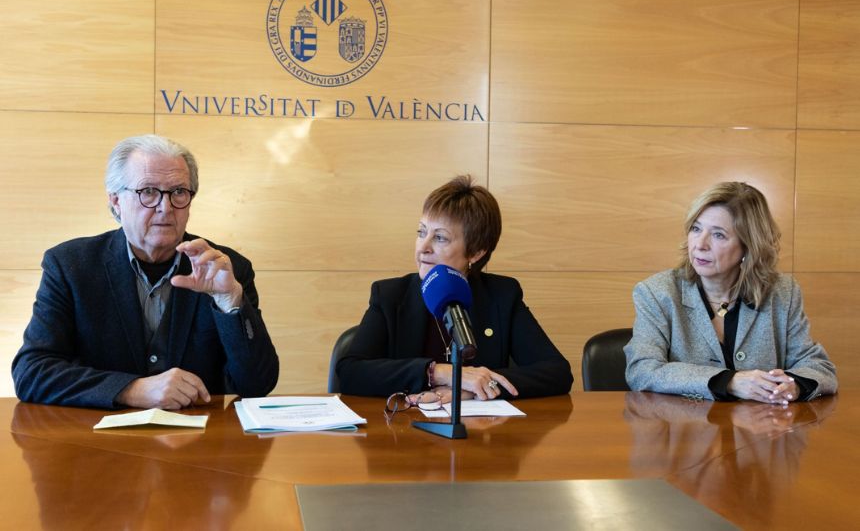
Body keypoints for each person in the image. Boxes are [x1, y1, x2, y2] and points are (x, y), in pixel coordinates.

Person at [12, 135, 279, 409]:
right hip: (96, 440)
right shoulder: (71, 266)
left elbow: (257, 384)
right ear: (116, 201)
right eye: (148, 191)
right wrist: (131, 390)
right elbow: (32, 372)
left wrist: (230, 302)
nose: (165, 207)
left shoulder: (224, 269)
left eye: (178, 192)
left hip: (198, 441)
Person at [336, 175, 572, 401]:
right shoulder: (390, 295)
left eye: (440, 238)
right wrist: (440, 372)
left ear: (476, 251)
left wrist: (474, 389)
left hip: (480, 435)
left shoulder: (502, 296)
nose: (423, 247)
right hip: (404, 432)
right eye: (421, 232)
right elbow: (350, 372)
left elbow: (556, 372)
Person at [624, 181, 837, 403]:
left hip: (761, 432)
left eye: (718, 235)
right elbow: (642, 370)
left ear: (748, 246)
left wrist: (793, 386)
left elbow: (819, 368)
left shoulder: (782, 293)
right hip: (688, 431)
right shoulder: (657, 293)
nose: (700, 245)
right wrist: (729, 381)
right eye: (696, 229)